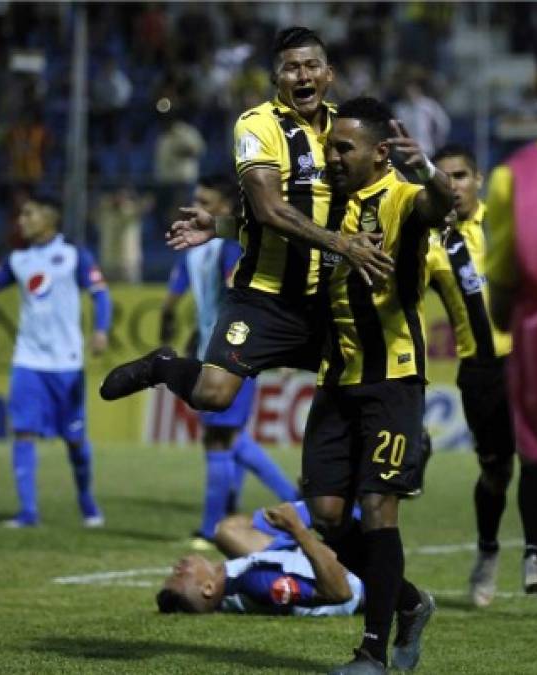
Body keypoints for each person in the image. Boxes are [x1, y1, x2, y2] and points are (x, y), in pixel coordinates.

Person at [100, 26, 393, 410]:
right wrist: (342, 244)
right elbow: (268, 209)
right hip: (264, 296)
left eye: (312, 66)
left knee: (370, 384)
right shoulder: (257, 125)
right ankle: (161, 365)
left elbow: (381, 191)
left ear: (329, 74)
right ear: (275, 78)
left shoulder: (346, 127)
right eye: (291, 68)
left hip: (328, 295)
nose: (303, 76)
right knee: (213, 394)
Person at [300, 97, 452, 673]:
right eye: (329, 146)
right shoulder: (327, 205)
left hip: (392, 378)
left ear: (379, 152)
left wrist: (429, 172)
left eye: (344, 148)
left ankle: (373, 653)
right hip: (336, 380)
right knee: (328, 519)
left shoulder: (402, 197)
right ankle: (409, 602)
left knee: (377, 507)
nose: (332, 156)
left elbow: (439, 206)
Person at [0, 194, 112, 527]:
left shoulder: (73, 256)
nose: (21, 220)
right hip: (28, 360)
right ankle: (28, 512)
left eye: (28, 213)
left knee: (75, 439)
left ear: (49, 218)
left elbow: (100, 294)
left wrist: (101, 330)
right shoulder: (17, 260)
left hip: (66, 364)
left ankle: (86, 501)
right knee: (23, 432)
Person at [160, 175, 298, 544]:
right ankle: (286, 500)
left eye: (205, 201)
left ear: (225, 208)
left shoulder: (227, 247)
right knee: (224, 437)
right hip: (215, 349)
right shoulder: (199, 249)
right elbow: (196, 302)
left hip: (235, 351)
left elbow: (239, 286)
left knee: (221, 438)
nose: (196, 207)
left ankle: (213, 527)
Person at [426, 144, 515, 607]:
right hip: (481, 371)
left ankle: (535, 553)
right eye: (443, 177)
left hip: (530, 361)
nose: (452, 185)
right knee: (496, 472)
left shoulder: (509, 225)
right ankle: (487, 550)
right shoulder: (433, 244)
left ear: (478, 179)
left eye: (460, 176)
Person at [486, 138, 537, 595]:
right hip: (492, 357)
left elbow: (502, 282)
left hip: (531, 337)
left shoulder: (516, 175)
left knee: (535, 457)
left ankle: (535, 551)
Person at [157, 502, 364, 617]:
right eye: (180, 574)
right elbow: (341, 592)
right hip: (360, 578)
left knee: (227, 532)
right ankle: (336, 503)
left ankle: (320, 503)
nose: (178, 566)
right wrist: (297, 530)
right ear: (208, 588)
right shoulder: (258, 581)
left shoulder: (238, 579)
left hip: (335, 560)